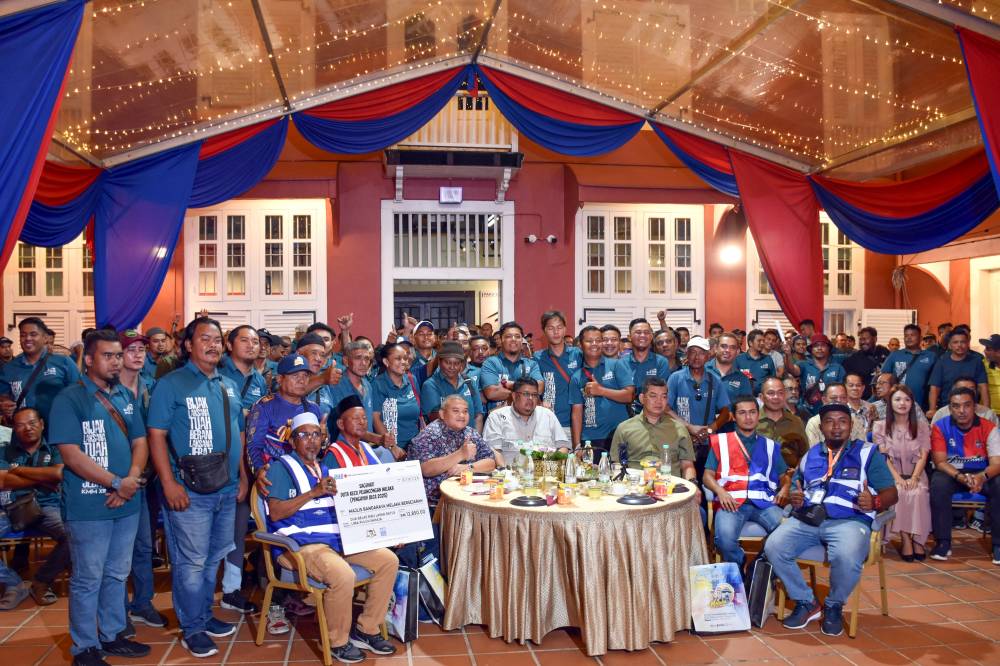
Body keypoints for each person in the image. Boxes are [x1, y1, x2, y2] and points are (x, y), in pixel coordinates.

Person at [146, 317, 248, 658]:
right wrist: (169, 482)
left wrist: (243, 476)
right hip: (188, 491)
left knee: (211, 561)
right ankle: (192, 628)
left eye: (217, 339)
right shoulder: (171, 384)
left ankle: (204, 616)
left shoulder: (227, 384)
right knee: (190, 563)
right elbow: (156, 435)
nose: (213, 344)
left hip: (226, 487)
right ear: (188, 345)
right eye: (205, 338)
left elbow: (240, 431)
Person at [49, 330, 151, 665]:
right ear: (89, 359)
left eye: (118, 355)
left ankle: (112, 634)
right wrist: (115, 482)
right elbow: (71, 454)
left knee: (117, 574)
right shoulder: (70, 398)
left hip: (127, 502)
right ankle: (85, 647)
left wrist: (131, 480)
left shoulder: (125, 395)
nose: (116, 361)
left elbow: (140, 442)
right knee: (87, 578)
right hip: (89, 505)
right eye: (108, 355)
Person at [264, 412, 398, 664]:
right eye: (304, 435)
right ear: (293, 441)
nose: (311, 441)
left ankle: (366, 629)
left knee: (388, 560)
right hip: (302, 545)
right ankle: (338, 641)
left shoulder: (325, 468)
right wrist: (313, 493)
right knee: (342, 574)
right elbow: (276, 511)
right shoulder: (281, 468)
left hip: (337, 540)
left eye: (316, 435)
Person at [764, 403, 898, 636]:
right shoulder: (810, 455)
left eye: (842, 421)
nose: (836, 427)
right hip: (808, 520)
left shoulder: (867, 453)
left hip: (849, 521)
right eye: (830, 422)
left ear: (851, 425)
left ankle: (834, 605)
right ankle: (806, 601)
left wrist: (875, 503)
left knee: (845, 555)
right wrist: (795, 498)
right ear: (821, 426)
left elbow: (892, 493)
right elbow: (797, 488)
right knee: (774, 546)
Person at [246, 352, 325, 633]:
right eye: (294, 376)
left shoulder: (313, 409)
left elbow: (318, 449)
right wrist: (258, 471)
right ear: (280, 379)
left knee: (308, 533)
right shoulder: (265, 406)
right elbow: (254, 445)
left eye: (305, 376)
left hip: (307, 483)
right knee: (277, 540)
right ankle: (275, 604)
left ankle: (295, 592)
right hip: (276, 482)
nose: (301, 380)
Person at [116, 329, 168, 630]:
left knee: (144, 545)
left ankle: (142, 602)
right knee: (118, 550)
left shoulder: (151, 387)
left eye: (141, 349)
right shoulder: (107, 391)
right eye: (130, 349)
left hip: (147, 479)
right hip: (115, 479)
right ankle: (117, 609)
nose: (137, 354)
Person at [703, 395, 787, 567]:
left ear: (758, 415)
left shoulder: (770, 446)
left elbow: (784, 477)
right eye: (742, 413)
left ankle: (759, 568)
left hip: (764, 503)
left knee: (787, 533)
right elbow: (707, 476)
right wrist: (720, 491)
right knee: (724, 540)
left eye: (752, 412)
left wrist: (785, 488)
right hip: (731, 502)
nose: (748, 417)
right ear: (734, 416)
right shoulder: (722, 442)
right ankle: (740, 563)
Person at [2, 407, 69, 605]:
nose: (27, 429)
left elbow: (58, 474)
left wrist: (18, 470)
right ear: (14, 428)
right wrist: (42, 477)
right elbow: (1, 481)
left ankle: (41, 581)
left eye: (32, 423)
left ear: (41, 424)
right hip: (12, 509)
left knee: (73, 536)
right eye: (21, 425)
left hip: (48, 507)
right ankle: (13, 582)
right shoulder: (5, 450)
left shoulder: (56, 448)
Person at [927, 387, 1000, 563]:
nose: (961, 411)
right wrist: (960, 477)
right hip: (953, 473)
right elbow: (940, 462)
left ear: (974, 406)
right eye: (956, 406)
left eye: (966, 405)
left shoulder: (989, 427)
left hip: (982, 472)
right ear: (950, 408)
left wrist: (981, 477)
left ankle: (998, 545)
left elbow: (997, 462)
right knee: (938, 484)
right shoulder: (940, 426)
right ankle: (943, 542)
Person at [872, 385, 931, 562]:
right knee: (900, 492)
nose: (902, 403)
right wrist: (897, 478)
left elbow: (924, 454)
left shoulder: (921, 427)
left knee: (918, 492)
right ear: (890, 402)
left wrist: (914, 477)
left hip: (916, 473)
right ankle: (906, 538)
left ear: (912, 403)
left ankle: (919, 539)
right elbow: (884, 458)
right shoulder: (880, 426)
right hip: (891, 475)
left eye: (906, 399)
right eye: (897, 399)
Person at [408, 395, 497, 509]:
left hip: (469, 497)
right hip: (436, 504)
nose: (461, 415)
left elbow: (490, 462)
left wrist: (466, 468)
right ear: (442, 414)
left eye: (465, 411)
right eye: (456, 411)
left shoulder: (470, 433)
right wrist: (461, 454)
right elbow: (426, 469)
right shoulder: (428, 435)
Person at [0, 317, 81, 429]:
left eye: (33, 334)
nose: (27, 338)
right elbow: (4, 396)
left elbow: (79, 394)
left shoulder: (63, 362)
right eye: (23, 335)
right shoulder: (9, 368)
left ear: (45, 338)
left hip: (59, 429)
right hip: (25, 432)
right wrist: (5, 404)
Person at [569, 326, 635, 456]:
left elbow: (629, 395)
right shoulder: (577, 376)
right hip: (589, 438)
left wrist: (601, 391)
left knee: (620, 474)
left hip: (619, 434)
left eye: (598, 340)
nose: (594, 344)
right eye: (589, 341)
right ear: (581, 345)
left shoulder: (616, 365)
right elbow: (577, 413)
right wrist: (577, 445)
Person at [611, 377, 694, 478]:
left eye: (663, 397)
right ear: (642, 399)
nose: (659, 401)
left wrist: (692, 483)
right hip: (635, 487)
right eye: (653, 396)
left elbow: (687, 466)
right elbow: (617, 464)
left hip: (671, 486)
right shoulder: (624, 429)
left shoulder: (679, 429)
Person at [329, 342, 398, 459]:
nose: (364, 363)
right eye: (358, 358)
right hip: (345, 452)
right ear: (346, 361)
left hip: (367, 450)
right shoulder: (336, 385)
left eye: (367, 359)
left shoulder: (367, 385)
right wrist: (378, 438)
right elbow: (349, 427)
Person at [483, 378, 568, 464]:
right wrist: (505, 472)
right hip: (510, 474)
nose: (530, 398)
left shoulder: (548, 415)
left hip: (544, 473)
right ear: (514, 396)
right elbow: (494, 451)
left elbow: (563, 447)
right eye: (526, 394)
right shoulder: (496, 417)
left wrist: (549, 466)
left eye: (534, 395)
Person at [667, 337, 731, 441]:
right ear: (687, 354)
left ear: (708, 356)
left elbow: (725, 412)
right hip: (680, 440)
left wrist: (710, 430)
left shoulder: (715, 380)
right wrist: (689, 427)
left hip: (707, 442)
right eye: (693, 352)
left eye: (701, 353)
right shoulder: (675, 378)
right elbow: (666, 408)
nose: (697, 357)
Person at [534, 311, 581, 437]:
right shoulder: (537, 358)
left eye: (559, 327)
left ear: (565, 329)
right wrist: (539, 402)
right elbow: (533, 388)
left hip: (576, 423)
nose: (556, 332)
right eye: (551, 328)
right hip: (548, 423)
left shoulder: (578, 355)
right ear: (544, 331)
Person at [479, 322, 544, 413]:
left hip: (527, 420)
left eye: (517, 336)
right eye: (508, 336)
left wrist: (510, 386)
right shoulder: (491, 363)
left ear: (522, 340)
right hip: (499, 420)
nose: (513, 339)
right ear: (501, 340)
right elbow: (491, 392)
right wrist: (526, 391)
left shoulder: (531, 364)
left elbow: (539, 388)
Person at [372, 343, 423, 452]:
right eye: (398, 359)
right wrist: (392, 447)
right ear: (386, 362)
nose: (404, 362)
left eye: (405, 358)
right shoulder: (377, 384)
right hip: (390, 450)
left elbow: (420, 415)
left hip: (416, 447)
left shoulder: (412, 380)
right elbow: (375, 419)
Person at [421, 342, 484, 431]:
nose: (452, 367)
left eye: (456, 363)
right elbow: (435, 419)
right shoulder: (430, 385)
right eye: (447, 362)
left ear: (462, 364)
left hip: (469, 439)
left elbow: (478, 416)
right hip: (442, 441)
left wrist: (475, 438)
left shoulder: (469, 383)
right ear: (439, 361)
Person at [927, 329, 989, 414]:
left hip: (971, 409)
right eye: (955, 342)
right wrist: (933, 410)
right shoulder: (942, 362)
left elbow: (983, 387)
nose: (959, 345)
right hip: (947, 409)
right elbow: (935, 388)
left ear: (968, 344)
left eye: (963, 342)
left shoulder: (977, 361)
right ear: (950, 345)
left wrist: (986, 411)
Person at [785, 334, 845, 415]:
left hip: (831, 411)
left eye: (823, 345)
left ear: (829, 348)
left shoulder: (837, 368)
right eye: (816, 346)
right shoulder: (804, 364)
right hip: (807, 412)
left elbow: (843, 390)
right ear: (811, 349)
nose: (819, 348)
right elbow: (792, 370)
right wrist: (788, 355)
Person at [757, 377, 809, 469]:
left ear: (784, 395)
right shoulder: (752, 422)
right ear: (761, 397)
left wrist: (795, 474)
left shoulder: (796, 422)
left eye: (780, 393)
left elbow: (805, 455)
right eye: (771, 393)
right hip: (759, 477)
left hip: (790, 477)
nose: (776, 397)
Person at [218, 325, 268, 415]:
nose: (251, 345)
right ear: (229, 345)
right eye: (244, 340)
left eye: (255, 342)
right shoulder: (216, 373)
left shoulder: (260, 380)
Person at [623, 318, 672, 401]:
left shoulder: (661, 362)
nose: (642, 335)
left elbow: (661, 393)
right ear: (629, 337)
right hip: (626, 411)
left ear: (651, 336)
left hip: (653, 411)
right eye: (638, 332)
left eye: (646, 332)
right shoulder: (621, 363)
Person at [842, 327, 890, 400]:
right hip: (863, 401)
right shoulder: (852, 360)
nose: (862, 342)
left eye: (866, 339)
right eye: (861, 339)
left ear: (875, 339)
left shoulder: (884, 352)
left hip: (884, 400)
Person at [929, 377, 998, 426]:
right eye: (963, 388)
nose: (967, 392)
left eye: (972, 389)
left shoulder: (988, 413)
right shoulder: (942, 413)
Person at [706, 332, 753, 398]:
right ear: (716, 348)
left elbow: (746, 405)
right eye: (723, 346)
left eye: (732, 347)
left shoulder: (742, 379)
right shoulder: (702, 370)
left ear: (737, 352)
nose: (727, 350)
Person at [735, 329, 776, 394]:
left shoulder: (768, 359)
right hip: (744, 397)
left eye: (763, 341)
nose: (762, 343)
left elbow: (773, 380)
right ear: (750, 343)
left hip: (764, 397)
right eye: (759, 341)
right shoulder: (739, 359)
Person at [980, 334, 1000, 417]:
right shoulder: (982, 365)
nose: (984, 351)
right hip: (989, 414)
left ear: (998, 352)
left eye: (988, 349)